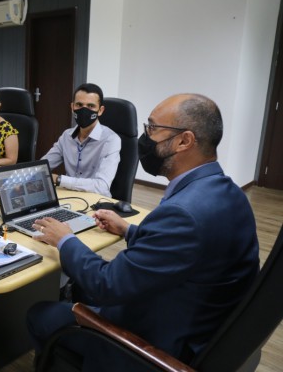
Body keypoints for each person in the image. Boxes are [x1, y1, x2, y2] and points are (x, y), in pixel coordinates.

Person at [27, 93, 259, 370]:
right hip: (199, 321)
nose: (145, 137)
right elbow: (183, 250)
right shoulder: (228, 192)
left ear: (185, 140)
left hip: (157, 344)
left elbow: (106, 285)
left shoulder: (183, 213)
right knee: (78, 289)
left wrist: (64, 239)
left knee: (40, 313)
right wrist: (128, 230)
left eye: (152, 128)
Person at [41, 83, 120, 197]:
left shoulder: (111, 140)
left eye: (91, 106)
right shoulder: (66, 136)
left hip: (96, 202)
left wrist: (58, 179)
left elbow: (101, 186)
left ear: (100, 110)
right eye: (79, 105)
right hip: (67, 197)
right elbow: (43, 165)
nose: (84, 110)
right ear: (72, 107)